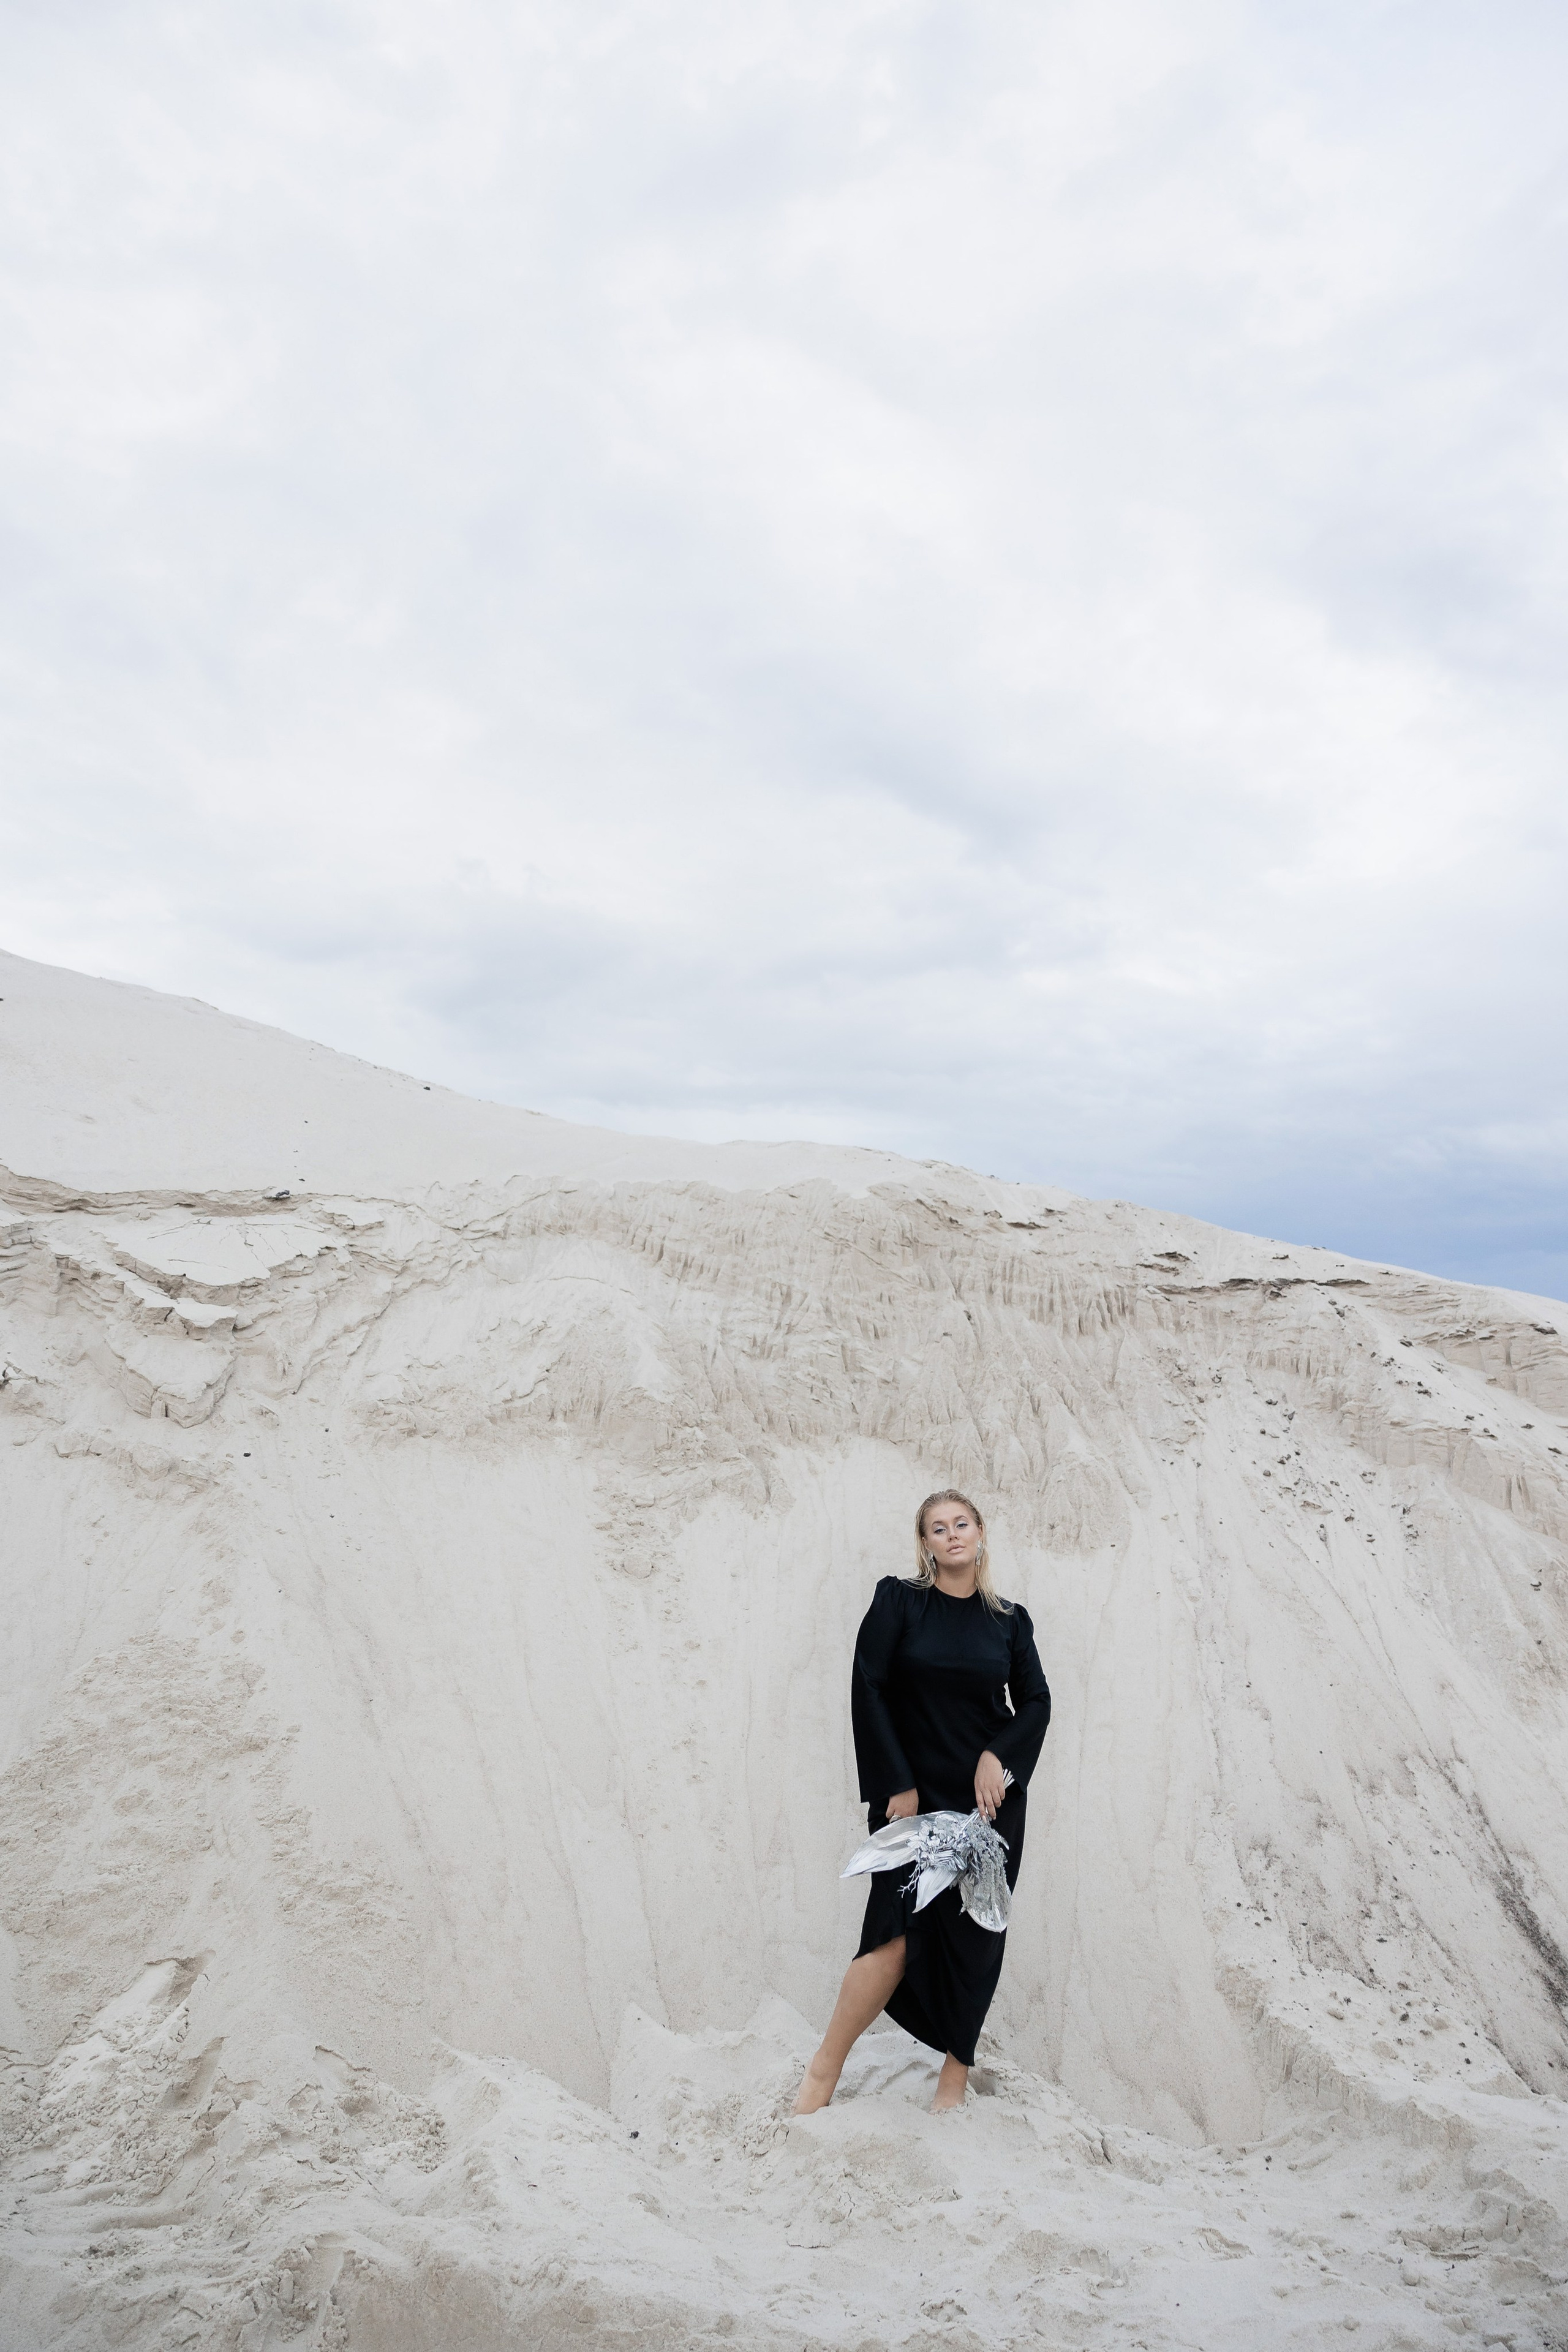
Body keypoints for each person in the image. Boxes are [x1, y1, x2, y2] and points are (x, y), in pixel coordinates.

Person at [793, 1489, 1051, 2115]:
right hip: (914, 1798)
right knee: (893, 1934)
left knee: (975, 1940)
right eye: (939, 1528)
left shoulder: (1010, 1620)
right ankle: (822, 2074)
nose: (952, 1535)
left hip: (986, 1806)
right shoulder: (899, 1602)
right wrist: (895, 1782)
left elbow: (1036, 1701)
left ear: (980, 1532)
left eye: (961, 1523)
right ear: (926, 1543)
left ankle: (951, 2086)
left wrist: (1000, 1757)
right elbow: (870, 1686)